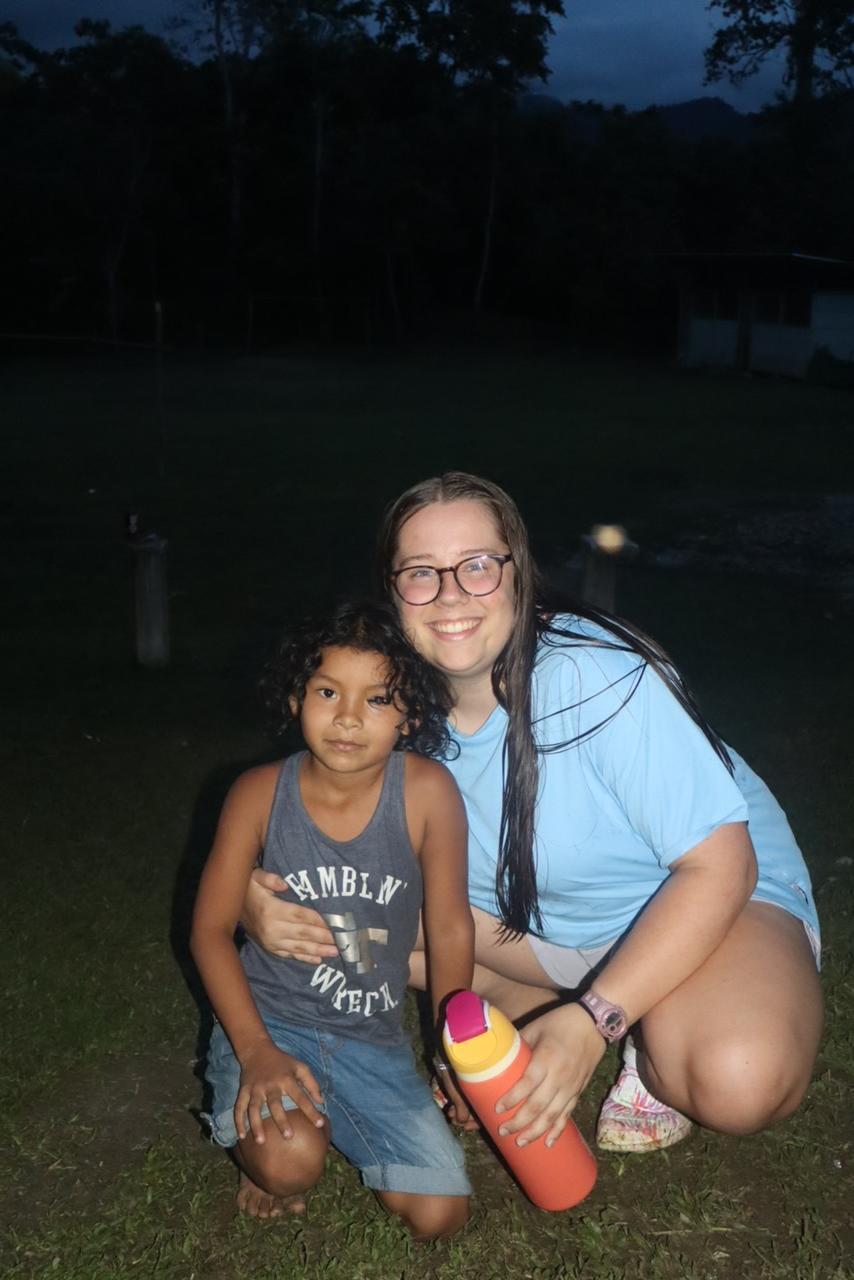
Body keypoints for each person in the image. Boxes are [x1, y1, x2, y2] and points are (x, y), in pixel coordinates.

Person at [241, 472, 823, 1165]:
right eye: (421, 573)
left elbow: (722, 865)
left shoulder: (591, 675)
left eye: (477, 566)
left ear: (518, 573)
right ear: (393, 592)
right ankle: (532, 997)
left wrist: (594, 1021)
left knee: (739, 1080)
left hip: (705, 904)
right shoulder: (389, 704)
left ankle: (641, 1022)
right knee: (319, 925)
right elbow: (321, 841)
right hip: (545, 934)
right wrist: (257, 899)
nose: (450, 595)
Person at [191, 601, 474, 1236]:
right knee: (287, 1161)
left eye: (378, 699)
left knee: (439, 1216)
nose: (348, 717)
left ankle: (329, 1113)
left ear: (411, 714)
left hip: (370, 1039)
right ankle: (258, 1150)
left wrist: (452, 1053)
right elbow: (209, 932)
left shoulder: (428, 794)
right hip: (269, 1021)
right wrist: (255, 1051)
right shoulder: (258, 793)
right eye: (328, 692)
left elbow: (451, 929)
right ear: (297, 697)